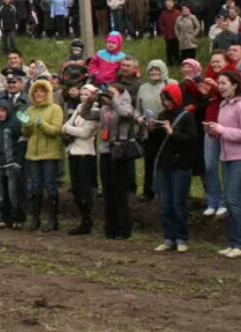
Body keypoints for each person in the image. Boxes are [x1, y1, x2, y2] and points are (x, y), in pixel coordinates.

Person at [205, 70, 241, 258]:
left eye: (223, 83)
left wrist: (222, 129)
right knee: (229, 200)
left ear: (235, 85)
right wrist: (214, 130)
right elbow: (225, 131)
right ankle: (234, 242)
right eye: (219, 83)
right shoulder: (223, 105)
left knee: (235, 200)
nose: (220, 86)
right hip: (226, 157)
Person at [153, 84, 198, 252]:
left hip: (180, 166)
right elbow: (157, 142)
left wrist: (173, 133)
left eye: (168, 99)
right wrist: (153, 130)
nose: (166, 103)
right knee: (165, 204)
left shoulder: (186, 116)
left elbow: (192, 139)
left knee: (178, 204)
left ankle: (181, 237)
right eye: (164, 100)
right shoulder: (163, 115)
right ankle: (168, 237)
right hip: (164, 165)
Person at [22, 78, 64, 232]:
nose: (39, 94)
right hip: (33, 153)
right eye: (36, 91)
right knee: (35, 186)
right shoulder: (30, 110)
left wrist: (42, 125)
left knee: (50, 185)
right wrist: (26, 125)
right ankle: (36, 218)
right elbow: (26, 132)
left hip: (50, 153)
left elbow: (56, 130)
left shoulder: (55, 109)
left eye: (42, 91)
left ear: (48, 93)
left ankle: (53, 220)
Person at [98, 82, 136, 239]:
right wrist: (90, 100)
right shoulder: (103, 109)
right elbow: (86, 114)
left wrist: (114, 99)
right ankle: (111, 227)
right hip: (105, 151)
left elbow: (125, 114)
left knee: (120, 191)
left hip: (120, 152)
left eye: (112, 92)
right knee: (108, 191)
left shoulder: (127, 106)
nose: (109, 95)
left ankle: (124, 229)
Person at [136, 60, 176, 202]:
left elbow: (177, 103)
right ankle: (148, 191)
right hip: (149, 128)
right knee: (149, 160)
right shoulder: (143, 87)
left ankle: (166, 191)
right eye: (151, 70)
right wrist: (138, 118)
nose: (154, 73)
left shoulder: (171, 83)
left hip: (166, 128)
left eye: (157, 70)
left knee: (166, 160)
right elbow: (137, 109)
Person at [63, 83, 100, 235]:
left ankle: (87, 220)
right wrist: (69, 129)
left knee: (85, 190)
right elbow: (66, 124)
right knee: (76, 189)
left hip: (86, 153)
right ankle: (83, 219)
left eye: (87, 95)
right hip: (74, 151)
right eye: (82, 94)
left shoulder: (96, 110)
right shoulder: (78, 108)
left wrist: (68, 129)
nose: (84, 97)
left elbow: (86, 133)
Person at [0, 101, 23, 229]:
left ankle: (17, 218)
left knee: (13, 193)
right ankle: (3, 217)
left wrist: (18, 162)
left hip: (11, 163)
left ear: (8, 111)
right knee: (0, 194)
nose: (0, 114)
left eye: (3, 111)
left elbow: (21, 144)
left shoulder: (15, 124)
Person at [158, 0, 181, 66]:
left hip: (176, 35)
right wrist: (164, 32)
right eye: (167, 4)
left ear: (173, 4)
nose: (169, 5)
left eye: (170, 4)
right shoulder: (163, 13)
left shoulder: (178, 13)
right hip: (168, 35)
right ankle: (169, 64)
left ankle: (178, 63)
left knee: (176, 50)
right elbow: (161, 23)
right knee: (169, 50)